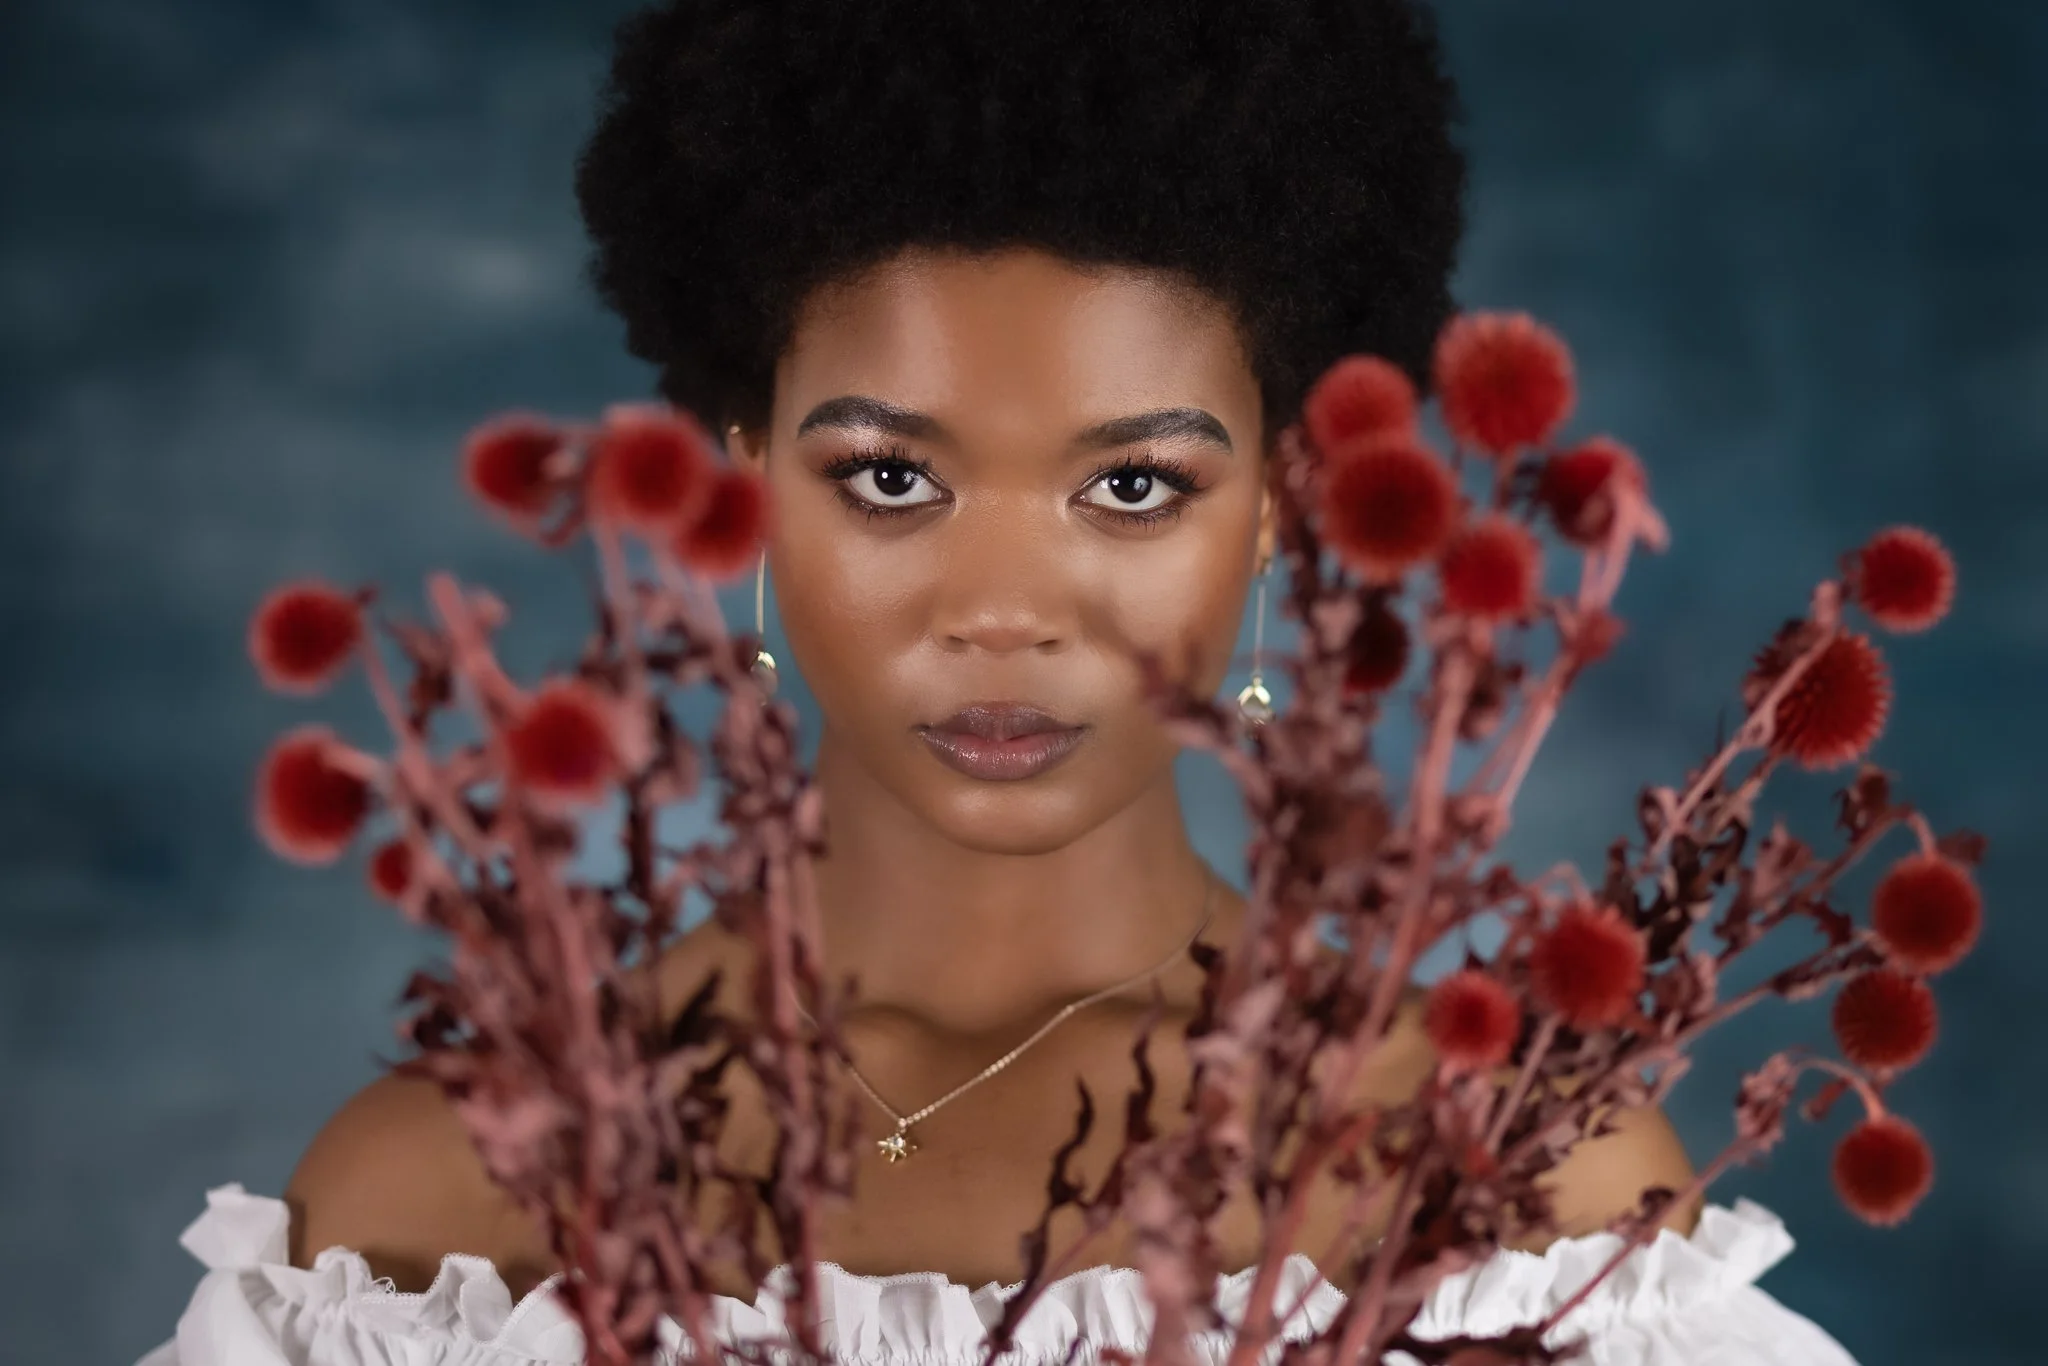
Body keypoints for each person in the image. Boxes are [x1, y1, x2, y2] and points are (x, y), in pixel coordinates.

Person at [138, 1, 1864, 1362]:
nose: (1003, 608)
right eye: (893, 477)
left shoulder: (1522, 1198)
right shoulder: (439, 1214)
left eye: (1131, 486)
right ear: (742, 484)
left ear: (1275, 507)